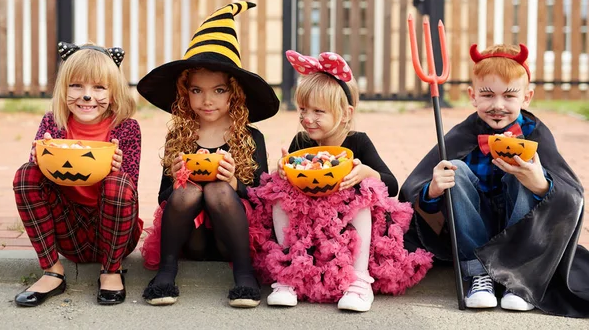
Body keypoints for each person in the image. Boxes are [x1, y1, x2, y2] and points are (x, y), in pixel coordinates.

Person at [399, 43, 589, 317]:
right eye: (487, 95)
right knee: (453, 169)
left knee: (524, 176)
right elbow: (413, 193)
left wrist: (540, 184)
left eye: (509, 96)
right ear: (472, 96)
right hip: (474, 233)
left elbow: (572, 194)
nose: (497, 105)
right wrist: (433, 190)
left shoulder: (536, 133)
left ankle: (518, 280)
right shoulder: (461, 134)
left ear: (526, 98)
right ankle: (479, 275)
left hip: (522, 235)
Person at [247, 50, 433, 312]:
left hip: (347, 228)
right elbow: (289, 176)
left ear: (345, 113)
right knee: (279, 192)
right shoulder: (302, 142)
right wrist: (284, 171)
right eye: (303, 109)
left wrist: (366, 172)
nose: (307, 118)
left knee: (365, 195)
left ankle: (358, 281)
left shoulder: (358, 141)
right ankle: (289, 275)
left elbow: (392, 185)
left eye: (318, 111)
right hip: (308, 226)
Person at [137, 1, 279, 308]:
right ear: (185, 93)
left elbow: (264, 197)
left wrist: (235, 185)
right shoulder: (180, 135)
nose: (207, 100)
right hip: (193, 239)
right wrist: (175, 180)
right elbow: (164, 198)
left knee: (217, 188)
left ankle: (244, 276)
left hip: (235, 239)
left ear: (234, 93)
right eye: (197, 90)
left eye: (218, 90)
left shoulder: (251, 137)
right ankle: (166, 273)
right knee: (187, 191)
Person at [12, 42, 143, 307]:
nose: (86, 96)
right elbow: (37, 188)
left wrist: (118, 167)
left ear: (113, 91)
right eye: (76, 86)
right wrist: (39, 158)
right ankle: (52, 271)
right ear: (64, 89)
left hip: (114, 235)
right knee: (26, 174)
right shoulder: (53, 123)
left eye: (98, 87)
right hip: (68, 230)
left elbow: (130, 191)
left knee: (119, 183)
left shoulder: (126, 128)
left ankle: (111, 271)